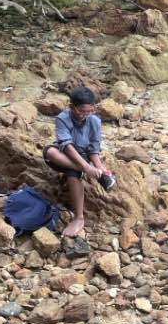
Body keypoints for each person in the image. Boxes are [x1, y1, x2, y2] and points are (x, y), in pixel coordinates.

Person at [43, 86, 116, 237]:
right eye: (82, 111)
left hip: (83, 156)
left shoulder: (94, 121)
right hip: (66, 154)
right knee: (50, 152)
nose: (85, 115)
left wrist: (99, 166)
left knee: (73, 173)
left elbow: (94, 149)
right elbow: (66, 145)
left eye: (90, 111)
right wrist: (86, 168)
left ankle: (79, 218)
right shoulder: (62, 118)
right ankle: (82, 169)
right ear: (72, 107)